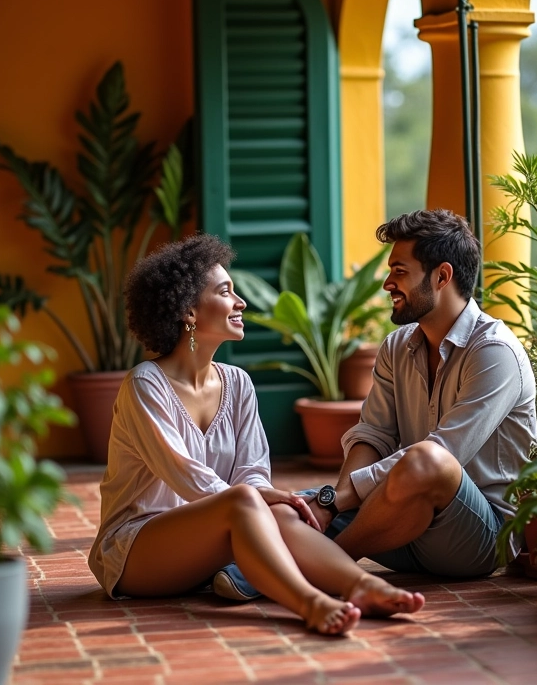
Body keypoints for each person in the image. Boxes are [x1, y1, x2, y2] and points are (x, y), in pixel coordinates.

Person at [87, 234, 425, 636]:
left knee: (279, 508)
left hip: (205, 540)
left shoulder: (238, 383)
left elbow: (252, 473)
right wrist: (258, 497)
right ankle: (310, 602)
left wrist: (270, 499)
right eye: (226, 291)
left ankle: (362, 585)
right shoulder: (145, 385)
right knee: (251, 501)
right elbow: (187, 477)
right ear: (189, 311)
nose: (241, 302)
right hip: (134, 552)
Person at [220, 209, 537, 598]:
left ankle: (324, 566)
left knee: (429, 462)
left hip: (476, 538)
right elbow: (373, 435)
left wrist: (338, 503)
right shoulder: (396, 347)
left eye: (400, 271)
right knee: (291, 508)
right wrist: (329, 505)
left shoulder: (494, 352)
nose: (388, 283)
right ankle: (289, 562)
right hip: (400, 523)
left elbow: (444, 455)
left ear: (442, 276)